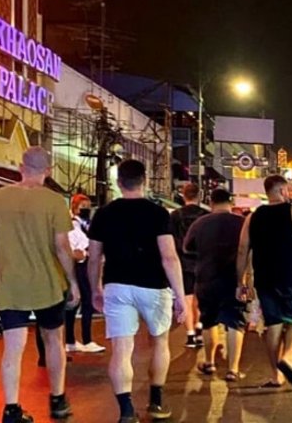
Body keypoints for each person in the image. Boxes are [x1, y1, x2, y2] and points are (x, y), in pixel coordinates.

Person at [88, 159, 187, 423]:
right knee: (160, 342)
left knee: (121, 349)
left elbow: (94, 257)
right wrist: (180, 295)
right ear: (144, 181)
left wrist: (95, 288)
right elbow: (169, 257)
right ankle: (156, 402)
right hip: (154, 287)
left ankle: (127, 411)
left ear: (118, 182)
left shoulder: (104, 214)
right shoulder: (158, 214)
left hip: (117, 285)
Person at [0, 147, 79, 422]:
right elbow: (62, 247)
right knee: (53, 340)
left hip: (11, 283)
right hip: (48, 283)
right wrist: (72, 281)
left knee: (13, 348)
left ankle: (12, 409)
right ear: (47, 171)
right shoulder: (54, 202)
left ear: (20, 167)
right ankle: (58, 399)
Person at [236, 175, 292, 388]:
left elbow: (243, 249)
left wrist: (241, 282)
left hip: (265, 278)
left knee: (273, 324)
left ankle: (275, 375)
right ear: (282, 191)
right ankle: (288, 358)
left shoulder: (252, 217)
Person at [185, 189, 247, 381]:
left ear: (211, 202)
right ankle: (233, 369)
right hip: (233, 278)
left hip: (206, 279)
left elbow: (187, 247)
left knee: (208, 320)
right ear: (231, 202)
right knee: (235, 322)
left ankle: (210, 363)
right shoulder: (242, 223)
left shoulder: (200, 223)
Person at [64, 194, 105, 354]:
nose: (86, 210)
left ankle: (72, 340)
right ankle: (83, 339)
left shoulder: (85, 225)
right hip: (79, 267)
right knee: (84, 301)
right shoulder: (73, 226)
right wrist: (84, 253)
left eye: (88, 207)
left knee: (82, 302)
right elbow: (74, 248)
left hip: (85, 265)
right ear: (75, 208)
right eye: (83, 207)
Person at [169, 183, 207, 348]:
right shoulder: (206, 215)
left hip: (182, 263)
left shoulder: (175, 216)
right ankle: (199, 328)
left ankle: (190, 334)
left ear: (184, 196)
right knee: (200, 299)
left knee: (187, 299)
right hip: (203, 262)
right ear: (200, 196)